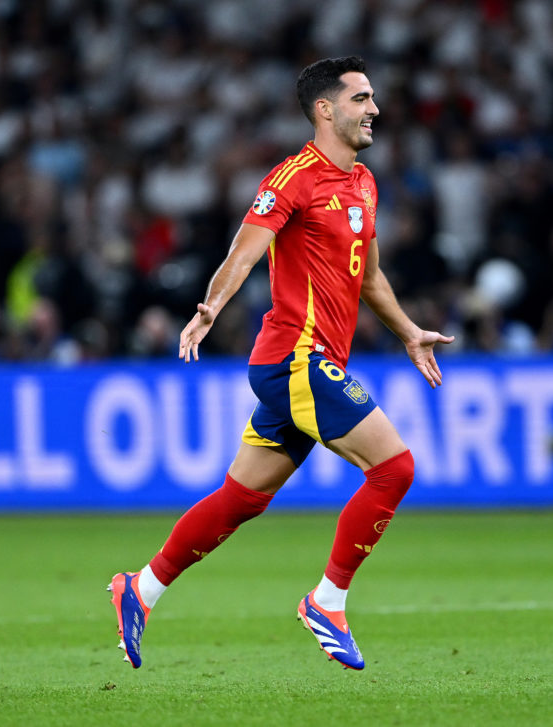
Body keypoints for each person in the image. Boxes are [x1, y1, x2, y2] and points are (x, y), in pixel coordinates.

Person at [108, 56, 454, 671]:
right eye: (361, 98)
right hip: (294, 356)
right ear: (326, 109)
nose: (375, 108)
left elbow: (368, 278)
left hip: (312, 363)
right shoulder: (293, 177)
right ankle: (327, 601)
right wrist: (211, 306)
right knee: (394, 469)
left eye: (374, 98)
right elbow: (246, 249)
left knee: (242, 497)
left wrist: (407, 333)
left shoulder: (365, 183)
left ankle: (142, 588)